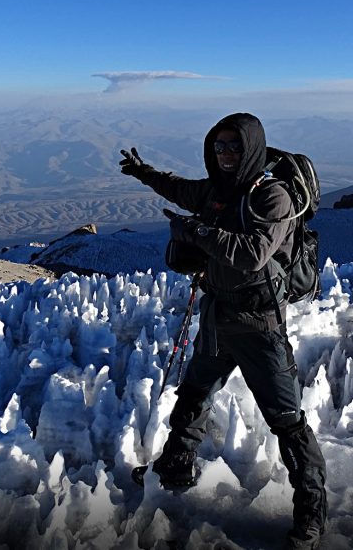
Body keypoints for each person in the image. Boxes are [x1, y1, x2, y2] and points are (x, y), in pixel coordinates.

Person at [119, 112, 327, 550]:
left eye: (234, 146)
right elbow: (179, 189)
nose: (227, 154)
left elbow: (253, 254)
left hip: (260, 326)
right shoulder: (216, 189)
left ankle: (311, 507)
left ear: (252, 146)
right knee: (195, 392)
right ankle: (176, 467)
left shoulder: (272, 196)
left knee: (286, 420)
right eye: (219, 146)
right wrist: (144, 173)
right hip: (218, 314)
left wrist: (194, 230)